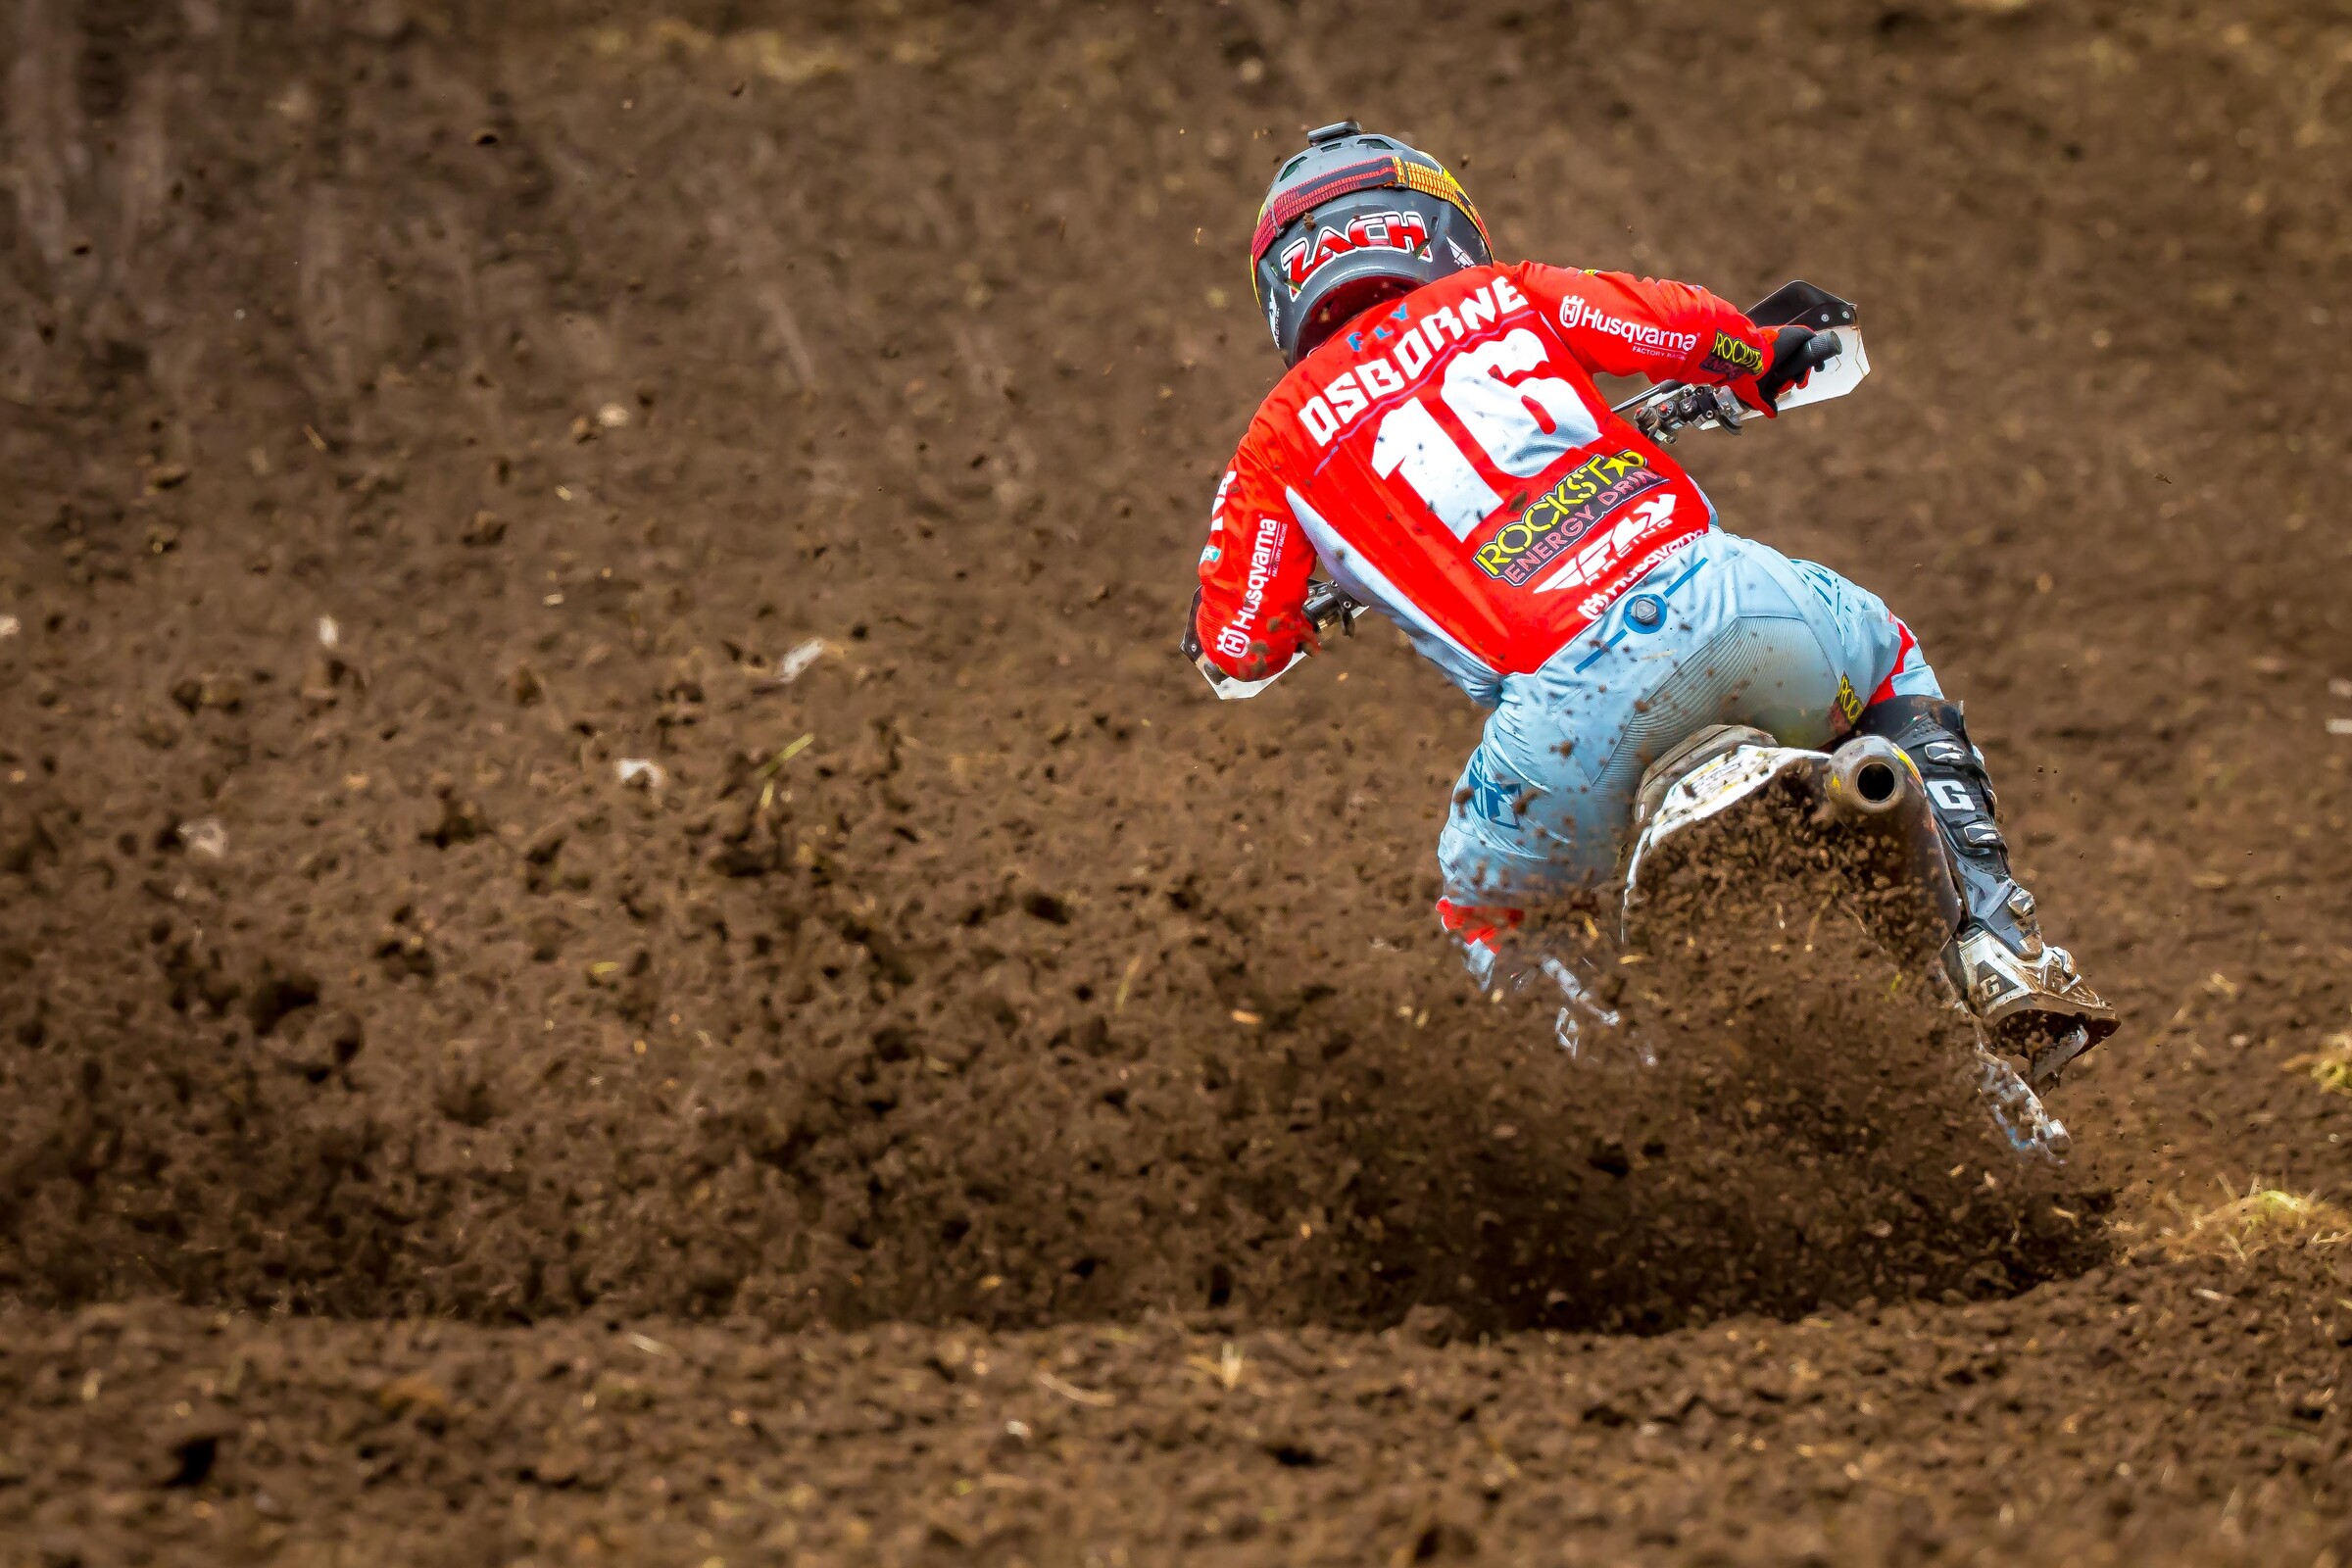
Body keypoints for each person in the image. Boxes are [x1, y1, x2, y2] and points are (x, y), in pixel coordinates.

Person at [1183, 122, 2115, 1084]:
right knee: (1883, 651)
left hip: (1565, 738)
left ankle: (1634, 1102)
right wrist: (1760, 356)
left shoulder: (1278, 439)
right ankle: (1996, 943)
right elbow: (1680, 327)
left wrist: (1292, 616)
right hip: (1740, 612)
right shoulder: (1504, 297)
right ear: (1432, 223)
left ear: (1287, 284)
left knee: (1483, 914)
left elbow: (1236, 646)